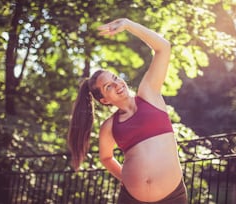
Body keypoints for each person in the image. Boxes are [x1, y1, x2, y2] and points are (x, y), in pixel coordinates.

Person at [68, 18, 187, 204]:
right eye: (108, 87)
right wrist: (127, 178)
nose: (117, 84)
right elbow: (106, 157)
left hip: (172, 197)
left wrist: (128, 24)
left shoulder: (148, 94)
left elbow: (163, 47)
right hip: (131, 199)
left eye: (115, 78)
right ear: (105, 100)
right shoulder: (109, 127)